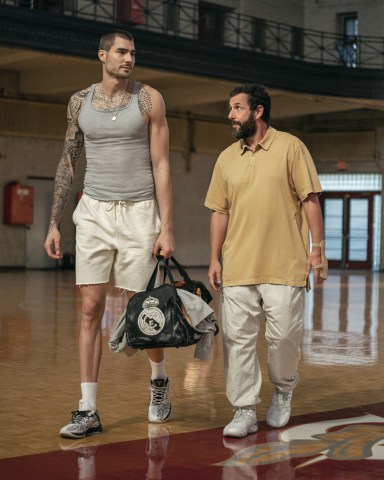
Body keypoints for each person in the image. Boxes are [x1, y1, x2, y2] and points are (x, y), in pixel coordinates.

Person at [44, 30, 175, 438]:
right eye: (121, 51)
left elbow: (162, 165)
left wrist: (166, 227)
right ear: (101, 54)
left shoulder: (149, 99)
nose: (128, 58)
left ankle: (159, 380)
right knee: (89, 309)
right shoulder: (79, 102)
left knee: (144, 310)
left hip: (139, 212)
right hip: (95, 211)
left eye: (133, 52)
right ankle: (88, 408)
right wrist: (54, 221)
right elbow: (68, 161)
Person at [205, 83, 327, 438]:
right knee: (237, 340)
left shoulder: (291, 147)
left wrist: (316, 249)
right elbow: (219, 212)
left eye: (237, 108)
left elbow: (310, 200)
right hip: (238, 266)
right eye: (230, 108)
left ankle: (283, 389)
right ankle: (243, 408)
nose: (230, 115)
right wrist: (214, 257)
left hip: (284, 264)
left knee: (284, 338)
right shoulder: (226, 158)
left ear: (257, 111)